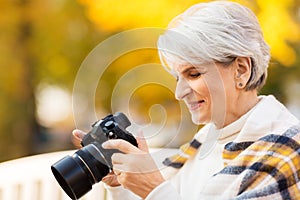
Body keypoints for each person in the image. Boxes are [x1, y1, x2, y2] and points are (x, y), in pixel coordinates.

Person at [73, 1, 300, 199]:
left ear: (240, 70)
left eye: (193, 74)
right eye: (177, 77)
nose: (179, 93)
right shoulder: (204, 142)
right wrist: (123, 186)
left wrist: (154, 189)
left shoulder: (285, 153)